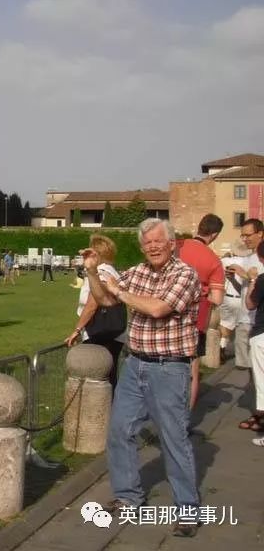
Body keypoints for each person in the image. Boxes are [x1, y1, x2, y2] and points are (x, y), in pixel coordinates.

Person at [83, 218, 201, 537]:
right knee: (120, 431)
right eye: (147, 243)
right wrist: (93, 273)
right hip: (136, 364)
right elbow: (107, 300)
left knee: (173, 439)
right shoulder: (136, 273)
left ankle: (187, 509)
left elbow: (158, 308)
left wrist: (120, 290)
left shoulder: (184, 274)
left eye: (157, 241)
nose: (152, 247)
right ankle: (128, 498)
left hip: (169, 367)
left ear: (172, 243)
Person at [65, 234, 125, 390]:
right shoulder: (111, 270)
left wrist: (77, 330)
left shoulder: (101, 271)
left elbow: (92, 304)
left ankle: (102, 413)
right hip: (114, 333)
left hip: (101, 332)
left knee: (98, 380)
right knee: (109, 377)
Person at [178, 214, 225, 410]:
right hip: (196, 318)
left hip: (168, 313)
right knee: (192, 369)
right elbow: (217, 299)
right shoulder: (213, 260)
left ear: (199, 227)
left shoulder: (177, 246)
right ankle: (185, 416)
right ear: (214, 235)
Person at [226, 218, 264, 377]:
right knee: (249, 370)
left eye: (248, 235)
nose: (245, 239)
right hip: (244, 318)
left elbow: (259, 282)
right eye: (243, 236)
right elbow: (245, 289)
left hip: (257, 320)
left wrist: (244, 274)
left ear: (260, 234)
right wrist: (234, 278)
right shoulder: (248, 258)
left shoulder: (260, 258)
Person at [243, 239, 264, 444]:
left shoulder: (262, 279)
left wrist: (251, 282)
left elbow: (250, 304)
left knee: (263, 383)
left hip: (262, 334)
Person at [219, 238, 251, 358]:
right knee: (242, 326)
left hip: (227, 298)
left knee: (225, 323)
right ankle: (242, 353)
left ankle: (222, 346)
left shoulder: (226, 261)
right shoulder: (250, 262)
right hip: (243, 298)